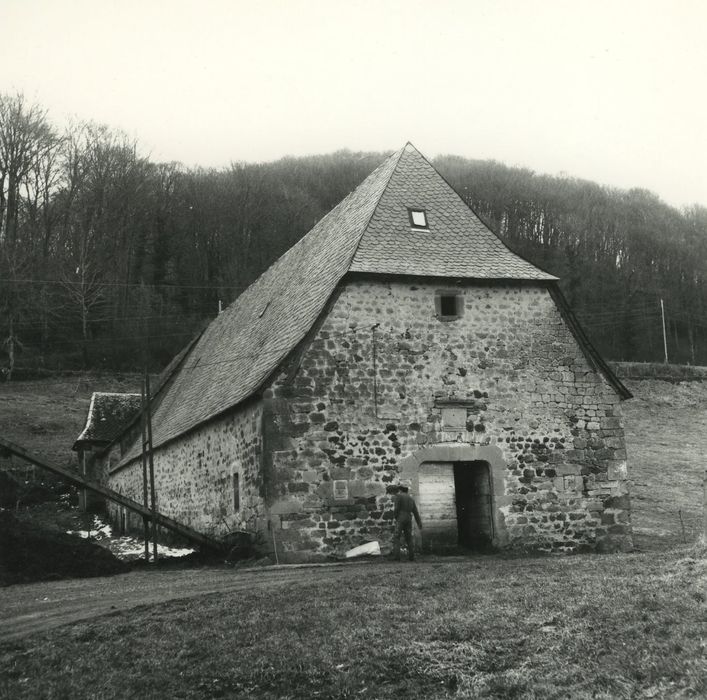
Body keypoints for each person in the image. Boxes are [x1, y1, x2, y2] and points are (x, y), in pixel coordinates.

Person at [392, 481, 422, 561]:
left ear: (401, 490)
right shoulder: (411, 499)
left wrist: (395, 516)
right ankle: (411, 557)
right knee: (409, 538)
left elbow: (397, 508)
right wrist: (419, 523)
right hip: (408, 518)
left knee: (397, 536)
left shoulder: (399, 496)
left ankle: (397, 557)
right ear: (407, 490)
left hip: (401, 518)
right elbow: (415, 512)